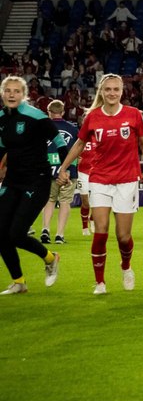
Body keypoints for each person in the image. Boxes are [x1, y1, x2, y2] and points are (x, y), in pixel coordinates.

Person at [57, 73, 143, 294]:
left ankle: (126, 266)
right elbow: (79, 144)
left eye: (116, 89)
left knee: (123, 236)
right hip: (100, 179)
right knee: (100, 231)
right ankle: (100, 282)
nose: (112, 93)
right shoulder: (92, 117)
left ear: (122, 92)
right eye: (108, 89)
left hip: (127, 180)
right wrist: (64, 167)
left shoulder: (133, 115)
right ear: (101, 92)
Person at [0, 77, 64, 295]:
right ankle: (19, 282)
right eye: (7, 90)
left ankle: (50, 258)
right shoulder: (1, 119)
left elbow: (60, 142)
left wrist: (64, 168)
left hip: (37, 180)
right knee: (1, 232)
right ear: (2, 93)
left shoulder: (36, 116)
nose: (11, 94)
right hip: (12, 181)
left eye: (16, 91)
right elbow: (1, 149)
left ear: (23, 94)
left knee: (16, 234)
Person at [37, 100, 79, 245]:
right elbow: (79, 149)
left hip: (48, 170)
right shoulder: (72, 129)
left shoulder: (42, 128)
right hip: (67, 171)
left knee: (49, 200)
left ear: (48, 112)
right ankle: (59, 235)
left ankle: (45, 229)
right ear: (62, 112)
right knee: (65, 202)